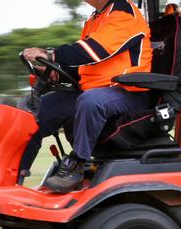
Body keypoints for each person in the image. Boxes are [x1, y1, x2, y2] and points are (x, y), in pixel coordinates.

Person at [21, 0, 152, 193]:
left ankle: (78, 163)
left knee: (91, 100)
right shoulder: (95, 18)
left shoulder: (124, 12)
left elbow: (96, 51)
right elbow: (87, 65)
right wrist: (58, 71)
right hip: (96, 89)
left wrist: (52, 55)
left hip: (129, 92)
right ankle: (9, 174)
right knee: (38, 110)